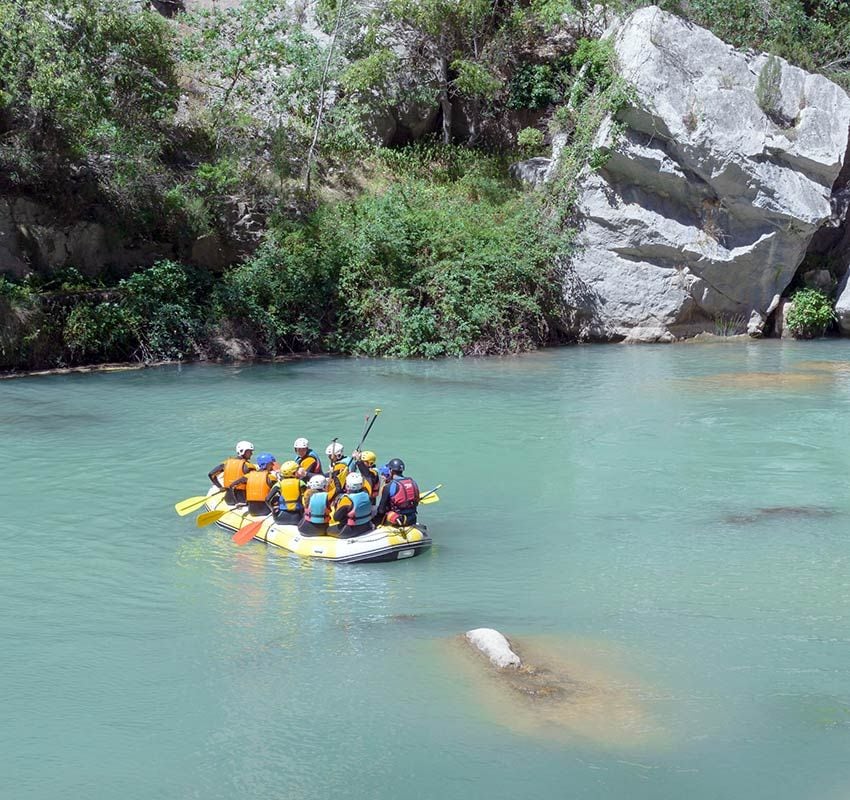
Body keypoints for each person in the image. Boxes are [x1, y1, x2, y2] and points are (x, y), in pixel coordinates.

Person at [375, 457, 420, 526]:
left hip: (397, 520)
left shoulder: (389, 486)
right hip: (412, 518)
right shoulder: (412, 482)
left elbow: (381, 510)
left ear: (391, 470)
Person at [208, 440, 256, 504]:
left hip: (229, 499)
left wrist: (220, 487)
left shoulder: (226, 463)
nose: (251, 454)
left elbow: (211, 474)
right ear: (242, 451)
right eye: (249, 452)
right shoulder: (249, 467)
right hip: (243, 500)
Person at [332, 472, 375, 538]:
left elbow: (336, 518)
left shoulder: (346, 499)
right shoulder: (367, 495)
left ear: (347, 485)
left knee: (328, 529)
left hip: (351, 530)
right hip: (366, 525)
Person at [268, 460, 306, 524]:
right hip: (297, 517)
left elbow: (267, 499)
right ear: (294, 473)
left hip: (280, 518)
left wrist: (272, 510)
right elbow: (308, 498)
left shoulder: (279, 484)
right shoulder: (301, 483)